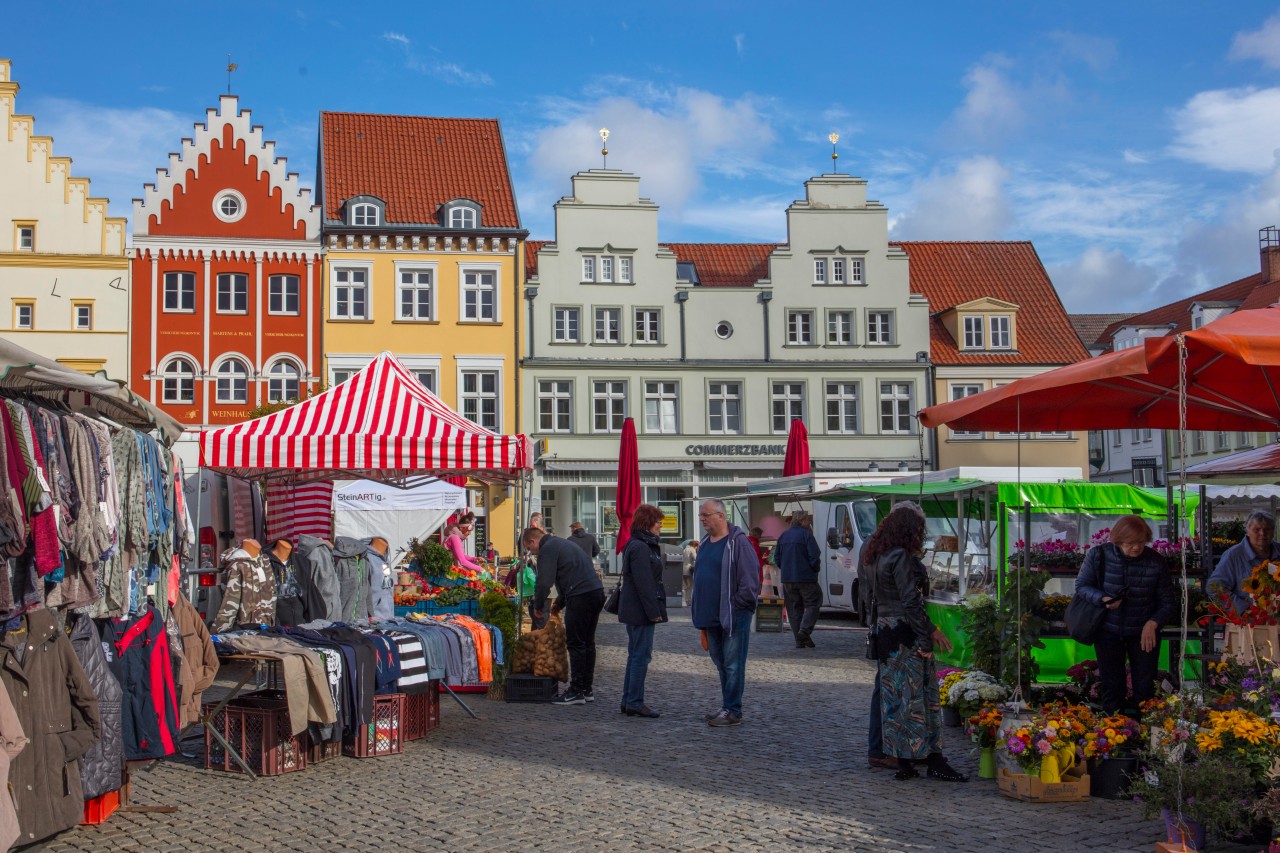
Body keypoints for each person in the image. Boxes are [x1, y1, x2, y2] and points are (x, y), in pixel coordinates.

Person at [864, 502, 966, 782]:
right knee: (921, 697)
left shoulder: (877, 555)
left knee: (895, 700)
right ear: (911, 530)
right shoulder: (901, 558)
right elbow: (910, 601)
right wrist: (928, 635)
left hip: (886, 630)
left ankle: (905, 762)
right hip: (905, 632)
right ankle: (932, 758)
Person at [1075, 514, 1178, 714]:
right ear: (1118, 540)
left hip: (1143, 633)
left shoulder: (1156, 562)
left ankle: (1146, 734)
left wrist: (1154, 622)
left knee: (1145, 688)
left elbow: (1168, 602)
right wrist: (1103, 599)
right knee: (1112, 687)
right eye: (1130, 543)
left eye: (1141, 542)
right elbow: (1082, 585)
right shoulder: (1099, 555)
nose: (1136, 547)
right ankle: (1113, 733)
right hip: (1108, 630)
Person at [692, 498, 761, 727]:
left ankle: (733, 710)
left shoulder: (738, 543)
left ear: (721, 516)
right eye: (701, 515)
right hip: (710, 616)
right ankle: (726, 706)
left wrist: (738, 605)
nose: (702, 519)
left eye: (706, 515)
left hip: (733, 615)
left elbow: (751, 581)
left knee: (733, 663)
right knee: (721, 663)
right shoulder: (705, 542)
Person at [523, 526, 605, 705]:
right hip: (595, 591)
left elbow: (544, 581)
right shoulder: (561, 543)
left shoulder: (547, 549)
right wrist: (560, 603)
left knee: (576, 643)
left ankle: (576, 690)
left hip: (581, 596)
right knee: (587, 642)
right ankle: (586, 688)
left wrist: (538, 605)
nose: (532, 552)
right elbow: (571, 575)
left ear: (533, 541)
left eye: (530, 549)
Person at [618, 504, 668, 718]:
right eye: (658, 523)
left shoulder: (638, 544)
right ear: (648, 523)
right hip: (640, 610)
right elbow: (644, 583)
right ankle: (634, 701)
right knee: (640, 656)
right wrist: (653, 611)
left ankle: (629, 700)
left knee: (636, 655)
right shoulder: (640, 547)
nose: (660, 527)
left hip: (637, 609)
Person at [1208, 510, 1280, 615]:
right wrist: (1243, 610)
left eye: (1267, 529)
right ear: (1247, 531)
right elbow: (1214, 587)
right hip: (1247, 623)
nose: (1262, 533)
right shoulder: (1233, 555)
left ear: (1273, 531)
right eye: (1257, 529)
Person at [776, 510, 822, 648]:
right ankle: (804, 630)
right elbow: (814, 556)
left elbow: (777, 558)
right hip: (806, 577)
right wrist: (814, 570)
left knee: (794, 608)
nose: (809, 523)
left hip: (788, 578)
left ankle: (799, 640)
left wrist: (786, 569)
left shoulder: (783, 536)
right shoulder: (806, 535)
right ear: (802, 521)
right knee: (814, 603)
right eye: (808, 520)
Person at [682, 539, 699, 605]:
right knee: (690, 585)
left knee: (685, 585)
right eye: (697, 546)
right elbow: (696, 558)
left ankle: (684, 600)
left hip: (683, 569)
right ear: (694, 545)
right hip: (689, 569)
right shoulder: (692, 550)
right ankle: (688, 601)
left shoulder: (684, 549)